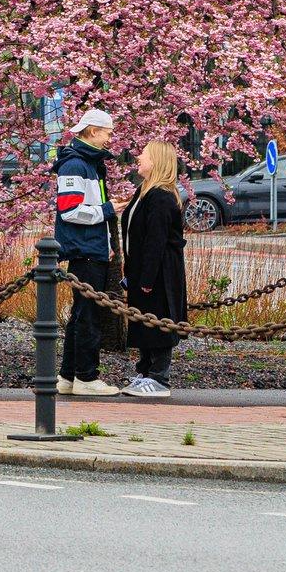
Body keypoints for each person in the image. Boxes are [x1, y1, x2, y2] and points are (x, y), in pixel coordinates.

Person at [53, 109, 120, 397]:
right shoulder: (76, 166)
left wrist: (108, 245)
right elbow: (70, 211)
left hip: (92, 248)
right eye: (107, 132)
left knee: (82, 314)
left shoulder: (87, 165)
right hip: (85, 250)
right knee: (88, 315)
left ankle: (68, 376)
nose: (109, 138)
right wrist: (108, 210)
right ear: (92, 131)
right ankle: (86, 376)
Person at [121, 140, 188, 398]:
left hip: (159, 272)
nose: (138, 157)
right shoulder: (144, 191)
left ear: (156, 162)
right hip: (142, 269)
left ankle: (159, 376)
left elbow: (156, 240)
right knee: (143, 319)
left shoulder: (160, 197)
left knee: (157, 317)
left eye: (144, 154)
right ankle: (146, 371)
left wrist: (147, 277)